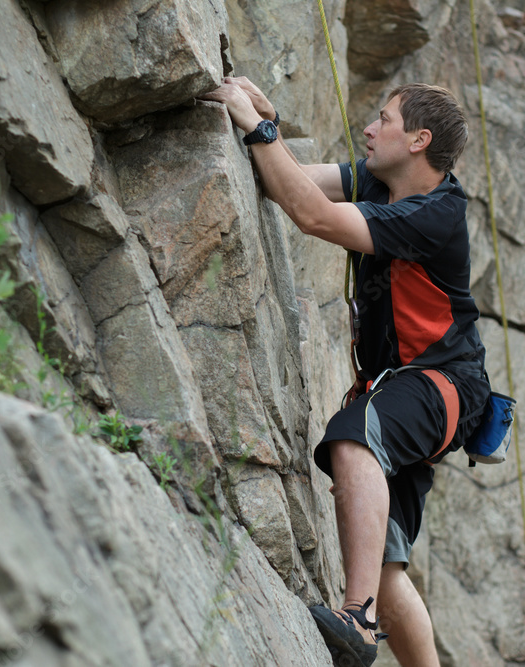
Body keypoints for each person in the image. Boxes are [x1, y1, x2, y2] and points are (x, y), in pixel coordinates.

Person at [202, 76, 490, 667]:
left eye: (383, 119)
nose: (369, 127)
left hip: (443, 384)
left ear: (418, 139)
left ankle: (356, 622)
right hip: (411, 385)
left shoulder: (434, 214)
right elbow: (289, 180)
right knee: (386, 566)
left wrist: (259, 129)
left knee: (353, 440)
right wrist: (267, 121)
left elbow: (313, 217)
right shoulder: (380, 180)